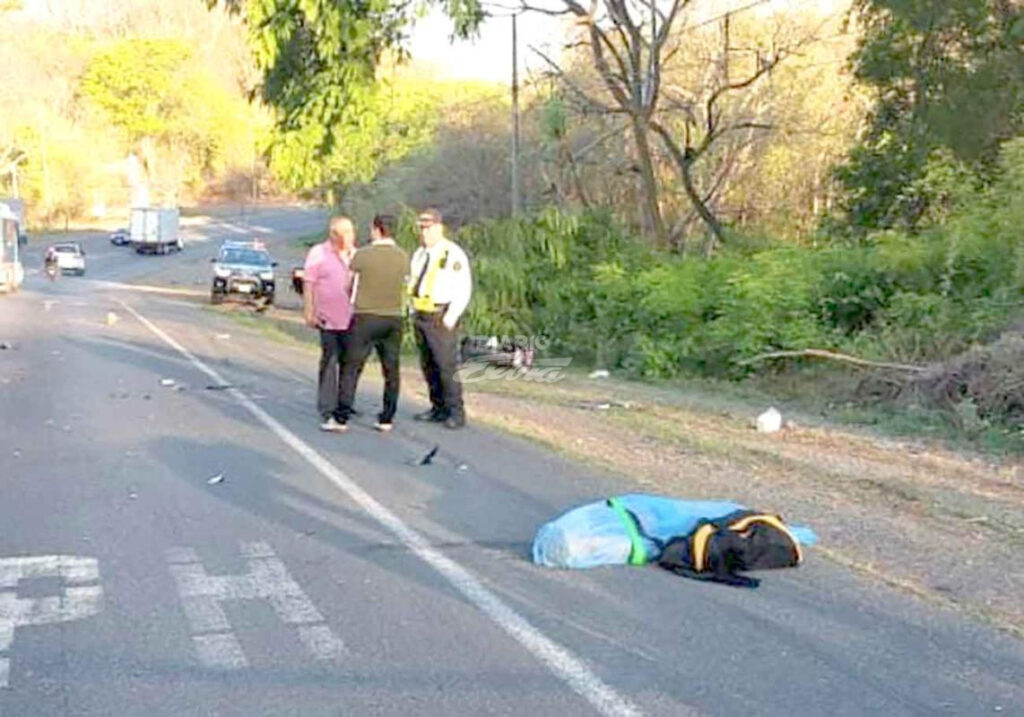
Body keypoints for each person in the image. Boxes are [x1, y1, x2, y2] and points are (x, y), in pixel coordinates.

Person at [337, 215, 409, 431]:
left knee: (352, 366)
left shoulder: (363, 255)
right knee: (391, 368)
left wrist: (354, 298)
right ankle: (386, 417)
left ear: (376, 230)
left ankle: (342, 415)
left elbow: (348, 284)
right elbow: (407, 286)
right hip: (393, 317)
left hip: (365, 315)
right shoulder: (403, 257)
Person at [408, 208, 472, 429]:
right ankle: (437, 407)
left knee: (446, 366)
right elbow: (413, 283)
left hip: (441, 314)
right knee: (428, 365)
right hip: (421, 314)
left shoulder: (452, 254)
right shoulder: (419, 254)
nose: (424, 233)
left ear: (439, 227)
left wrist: (451, 317)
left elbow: (463, 288)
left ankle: (456, 411)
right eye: (421, 228)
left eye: (428, 228)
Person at [303, 216, 355, 432]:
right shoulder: (318, 253)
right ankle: (327, 406)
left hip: (352, 318)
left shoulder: (357, 255)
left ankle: (344, 404)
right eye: (344, 233)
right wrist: (309, 310)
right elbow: (309, 283)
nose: (349, 237)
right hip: (327, 317)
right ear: (334, 234)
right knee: (329, 360)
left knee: (349, 362)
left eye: (351, 232)